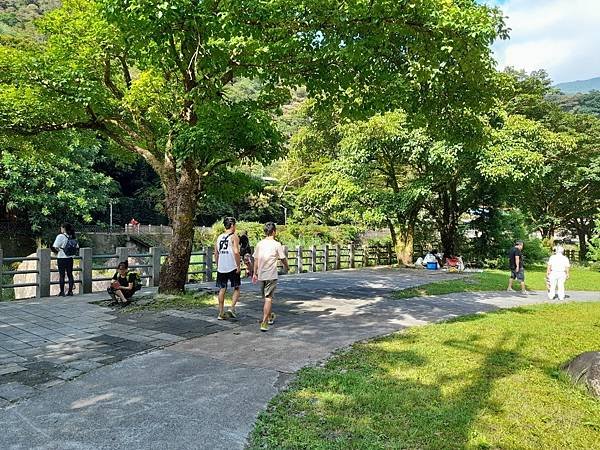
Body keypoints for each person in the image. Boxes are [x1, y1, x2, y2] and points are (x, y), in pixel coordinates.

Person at [252, 222, 289, 332]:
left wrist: (255, 272)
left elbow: (256, 259)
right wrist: (287, 267)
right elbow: (283, 258)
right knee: (268, 298)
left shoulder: (260, 244)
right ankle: (264, 322)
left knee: (266, 298)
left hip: (261, 274)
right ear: (274, 231)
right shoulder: (276, 244)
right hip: (271, 275)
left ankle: (269, 317)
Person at [215, 217, 241, 320]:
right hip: (232, 265)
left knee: (222, 289)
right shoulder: (234, 237)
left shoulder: (219, 237)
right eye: (235, 225)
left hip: (221, 266)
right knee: (237, 287)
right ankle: (232, 308)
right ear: (232, 225)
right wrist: (238, 265)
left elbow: (216, 253)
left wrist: (218, 265)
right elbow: (236, 252)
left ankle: (221, 312)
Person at [51, 223, 77, 296]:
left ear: (64, 228)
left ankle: (62, 292)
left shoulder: (60, 236)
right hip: (70, 258)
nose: (60, 229)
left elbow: (55, 246)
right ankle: (70, 292)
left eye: (61, 228)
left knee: (62, 275)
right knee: (70, 274)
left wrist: (59, 250)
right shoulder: (72, 236)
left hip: (62, 258)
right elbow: (76, 246)